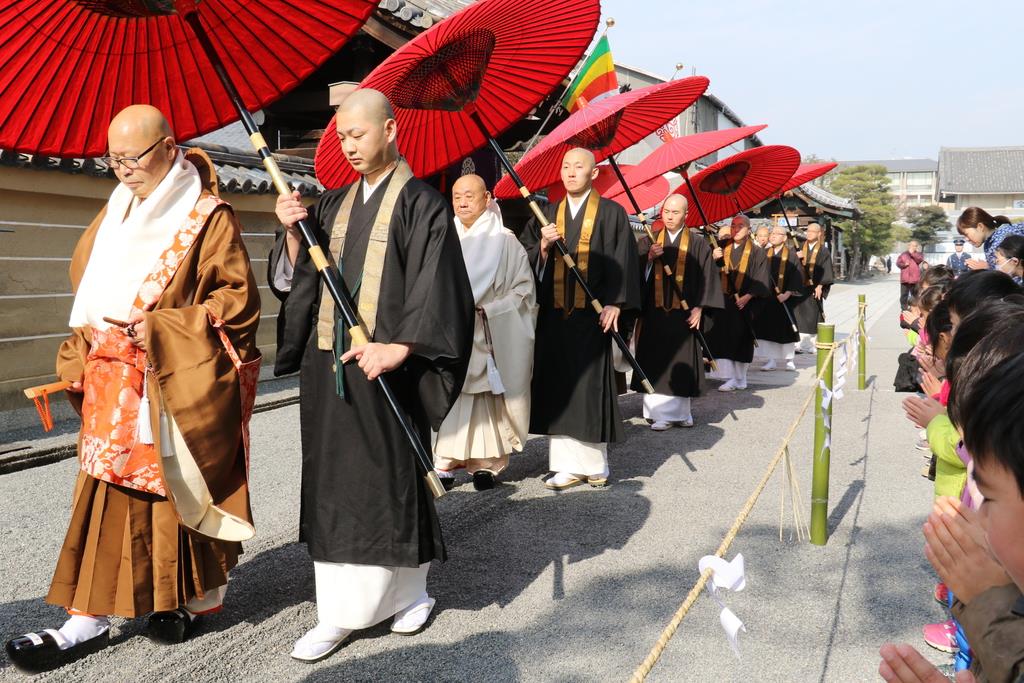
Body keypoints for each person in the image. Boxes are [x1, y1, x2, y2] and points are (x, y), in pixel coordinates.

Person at [5, 105, 261, 675]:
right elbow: (92, 297)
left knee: (173, 492)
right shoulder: (116, 210)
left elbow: (238, 303)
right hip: (111, 380)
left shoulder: (208, 216)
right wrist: (78, 355)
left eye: (133, 158)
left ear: (170, 148)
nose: (122, 171)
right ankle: (86, 617)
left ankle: (183, 598)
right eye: (112, 159)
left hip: (170, 377)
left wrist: (167, 326)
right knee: (102, 497)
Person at [268, 89, 474, 661]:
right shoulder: (331, 206)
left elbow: (441, 290)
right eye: (341, 138)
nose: (349, 146)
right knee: (337, 487)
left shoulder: (424, 204)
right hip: (332, 371)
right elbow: (301, 282)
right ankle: (340, 614)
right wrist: (292, 233)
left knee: (392, 484)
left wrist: (402, 346)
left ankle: (410, 593)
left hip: (391, 374)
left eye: (358, 134)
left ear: (389, 129)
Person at [519, 147, 641, 491]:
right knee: (560, 388)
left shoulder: (612, 213)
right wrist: (541, 248)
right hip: (555, 317)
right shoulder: (547, 214)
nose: (571, 172)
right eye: (566, 167)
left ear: (594, 173)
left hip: (593, 316)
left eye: (579, 167)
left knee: (589, 389)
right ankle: (565, 466)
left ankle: (595, 463)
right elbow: (525, 258)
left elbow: (624, 260)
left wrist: (617, 303)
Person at [433, 174, 537, 491]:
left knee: (486, 401)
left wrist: (491, 311)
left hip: (488, 330)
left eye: (470, 195)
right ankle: (446, 461)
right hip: (451, 330)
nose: (463, 201)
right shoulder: (441, 237)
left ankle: (485, 464)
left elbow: (524, 293)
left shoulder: (505, 241)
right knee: (451, 396)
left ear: (487, 197)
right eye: (456, 196)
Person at [633, 195, 723, 430]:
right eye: (666, 212)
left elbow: (708, 278)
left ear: (686, 215)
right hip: (654, 313)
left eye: (675, 212)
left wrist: (700, 308)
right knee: (656, 362)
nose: (670, 216)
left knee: (681, 363)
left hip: (684, 315)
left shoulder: (697, 243)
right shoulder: (649, 241)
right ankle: (660, 414)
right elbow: (632, 273)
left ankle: (682, 413)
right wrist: (649, 259)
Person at [705, 214, 771, 391]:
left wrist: (748, 296)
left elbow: (762, 279)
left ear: (749, 229)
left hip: (745, 303)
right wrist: (713, 257)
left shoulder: (758, 253)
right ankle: (732, 377)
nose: (736, 229)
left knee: (741, 339)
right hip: (723, 302)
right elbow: (707, 271)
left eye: (740, 226)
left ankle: (740, 378)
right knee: (725, 339)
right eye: (733, 226)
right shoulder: (722, 247)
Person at [754, 226, 804, 371]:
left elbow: (796, 277)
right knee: (768, 329)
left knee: (786, 330)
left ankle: (789, 359)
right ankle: (771, 360)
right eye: (772, 233)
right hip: (767, 298)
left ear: (784, 238)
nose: (773, 236)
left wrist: (787, 293)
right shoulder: (764, 253)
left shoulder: (791, 255)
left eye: (777, 234)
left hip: (783, 298)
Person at [794, 222, 834, 352]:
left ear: (819, 234)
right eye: (808, 231)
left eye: (812, 231)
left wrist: (821, 285)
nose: (809, 233)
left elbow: (826, 269)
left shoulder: (823, 251)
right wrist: (796, 257)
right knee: (798, 314)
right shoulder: (799, 247)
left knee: (813, 314)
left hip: (814, 287)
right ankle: (798, 343)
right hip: (799, 287)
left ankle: (811, 343)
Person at [955, 207, 1024, 271]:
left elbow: (1017, 270)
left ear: (980, 227)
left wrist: (987, 268)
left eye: (966, 234)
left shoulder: (1007, 237)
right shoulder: (988, 243)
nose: (966, 239)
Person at [897, 240, 925, 310]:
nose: (913, 247)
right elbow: (898, 263)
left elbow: (920, 259)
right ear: (909, 246)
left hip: (914, 279)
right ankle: (904, 309)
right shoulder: (903, 254)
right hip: (905, 279)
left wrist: (912, 254)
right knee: (903, 295)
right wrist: (904, 265)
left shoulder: (918, 254)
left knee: (915, 295)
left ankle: (915, 308)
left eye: (915, 246)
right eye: (912, 245)